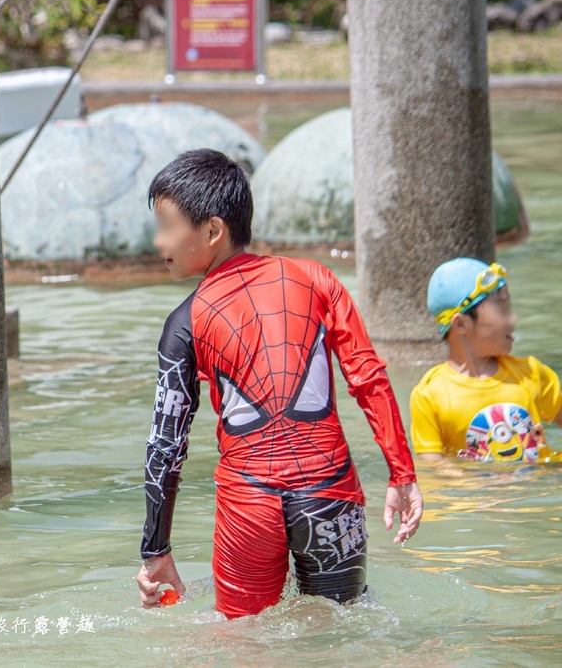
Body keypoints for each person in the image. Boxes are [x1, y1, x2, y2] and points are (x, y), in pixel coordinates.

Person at [135, 149, 423, 619]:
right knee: (345, 633)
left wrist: (156, 549)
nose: (157, 240)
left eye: (166, 225)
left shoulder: (184, 321)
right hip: (331, 495)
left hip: (247, 504)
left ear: (211, 231)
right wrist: (402, 474)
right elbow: (368, 377)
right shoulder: (318, 278)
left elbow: (165, 446)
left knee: (243, 643)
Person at [410, 257, 562, 463]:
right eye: (503, 310)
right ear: (462, 325)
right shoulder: (429, 395)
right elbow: (434, 466)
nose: (513, 319)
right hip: (477, 493)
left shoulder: (531, 373)